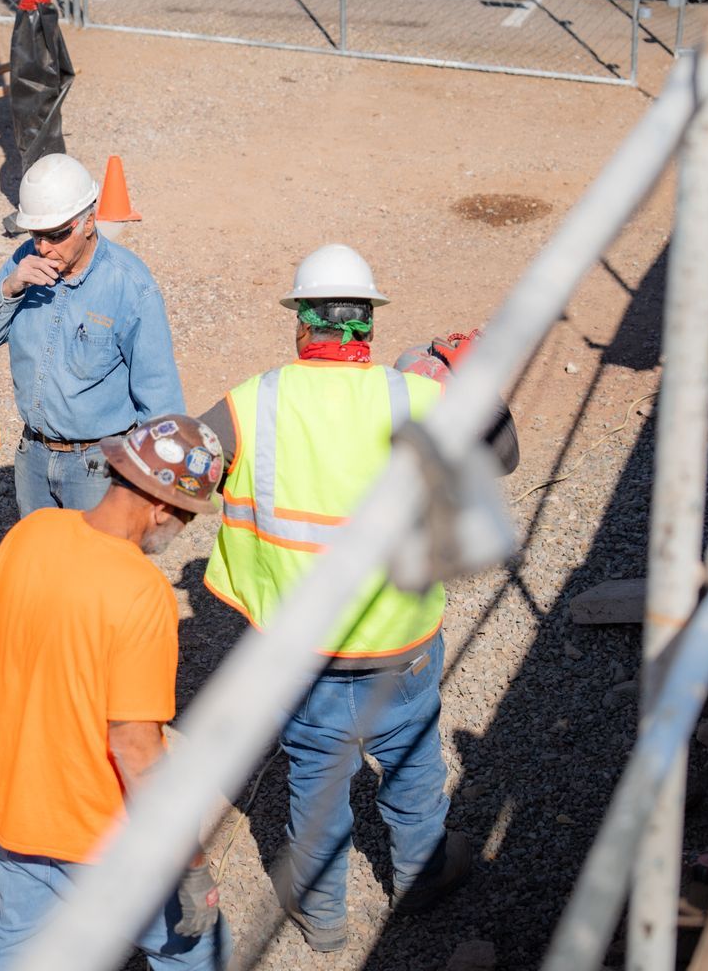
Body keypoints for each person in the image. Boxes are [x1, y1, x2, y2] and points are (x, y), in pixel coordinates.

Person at [196, 244, 518, 952]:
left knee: (316, 778)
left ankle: (323, 915)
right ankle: (422, 878)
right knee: (412, 761)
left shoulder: (253, 402)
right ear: (368, 322)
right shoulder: (419, 400)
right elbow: (504, 454)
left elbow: (184, 469)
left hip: (302, 655)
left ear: (300, 322)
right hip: (401, 646)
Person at [0, 414, 227, 970]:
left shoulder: (31, 532)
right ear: (161, 508)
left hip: (17, 809)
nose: (182, 528)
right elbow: (135, 748)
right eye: (187, 516)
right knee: (195, 950)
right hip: (96, 832)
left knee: (18, 948)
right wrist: (189, 863)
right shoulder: (142, 592)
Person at [0, 153, 186, 516]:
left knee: (98, 555)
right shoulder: (25, 262)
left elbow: (159, 394)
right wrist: (10, 286)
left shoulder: (130, 285)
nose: (44, 247)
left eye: (56, 234)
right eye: (36, 234)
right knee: (40, 554)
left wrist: (158, 486)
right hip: (33, 458)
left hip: (97, 467)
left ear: (88, 221)